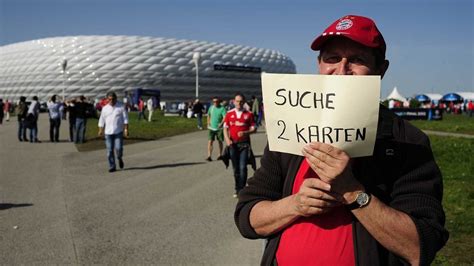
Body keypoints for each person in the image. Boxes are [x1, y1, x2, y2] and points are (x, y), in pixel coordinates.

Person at [234, 15, 448, 265]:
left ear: (381, 69)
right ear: (319, 65)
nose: (342, 70)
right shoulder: (290, 129)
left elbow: (420, 246)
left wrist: (352, 191)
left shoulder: (407, 141)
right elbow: (247, 217)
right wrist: (295, 205)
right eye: (332, 58)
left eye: (357, 60)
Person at [223, 93, 256, 198]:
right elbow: (225, 128)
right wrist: (227, 140)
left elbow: (254, 129)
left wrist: (246, 133)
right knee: (236, 168)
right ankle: (237, 189)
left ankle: (242, 189)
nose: (239, 103)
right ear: (234, 101)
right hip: (233, 145)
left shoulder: (249, 114)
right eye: (237, 101)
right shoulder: (229, 114)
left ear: (244, 102)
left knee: (243, 167)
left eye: (241, 101)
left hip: (244, 145)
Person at [98, 92, 129, 173]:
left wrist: (126, 130)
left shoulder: (121, 106)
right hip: (108, 133)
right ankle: (112, 166)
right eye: (109, 99)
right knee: (109, 151)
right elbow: (102, 120)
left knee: (118, 148)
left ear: (116, 98)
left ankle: (119, 158)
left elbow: (125, 119)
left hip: (118, 131)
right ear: (107, 99)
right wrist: (100, 130)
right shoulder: (105, 108)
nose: (111, 101)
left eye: (113, 99)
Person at [206, 96, 227, 161]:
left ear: (219, 102)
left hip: (219, 129)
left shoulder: (222, 108)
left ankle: (220, 155)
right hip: (211, 128)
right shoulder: (211, 108)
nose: (215, 103)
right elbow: (208, 115)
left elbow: (224, 117)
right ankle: (209, 156)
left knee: (220, 141)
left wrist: (221, 124)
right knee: (210, 141)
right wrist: (208, 122)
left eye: (216, 101)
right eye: (214, 101)